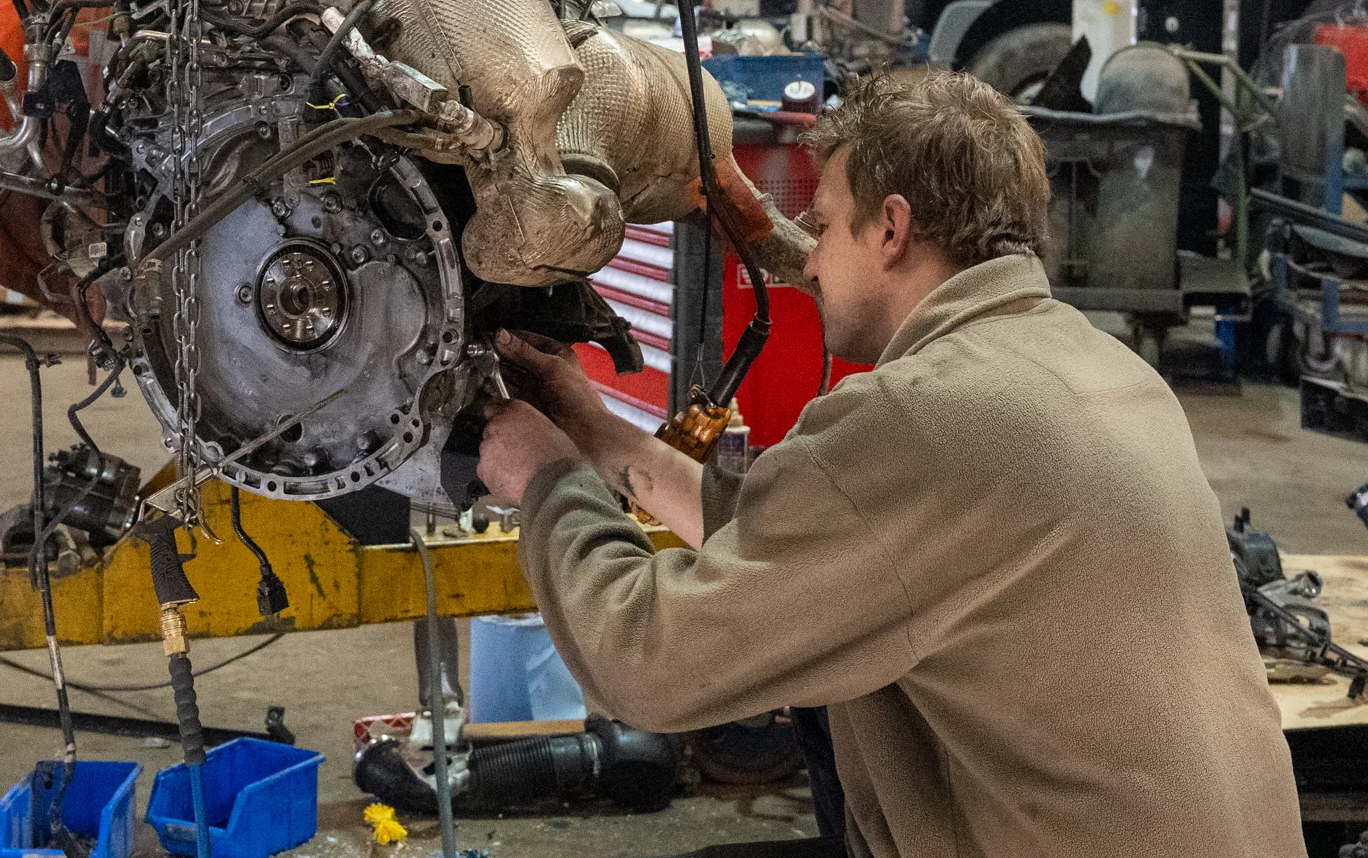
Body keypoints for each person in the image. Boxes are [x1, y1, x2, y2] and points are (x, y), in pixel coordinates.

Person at [478, 72, 1306, 857]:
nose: (806, 258)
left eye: (829, 223)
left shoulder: (927, 416)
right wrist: (595, 431)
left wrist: (546, 478)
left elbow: (645, 660)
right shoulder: (1099, 369)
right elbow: (816, 552)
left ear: (892, 227)